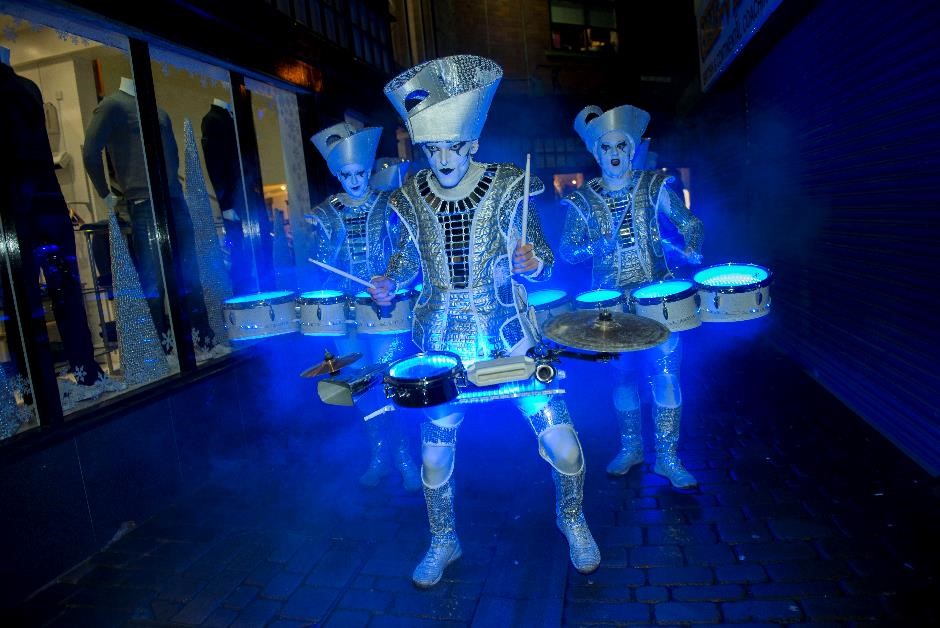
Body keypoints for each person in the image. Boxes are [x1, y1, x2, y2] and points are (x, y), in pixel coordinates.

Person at [370, 54, 600, 588]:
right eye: (432, 148)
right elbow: (403, 267)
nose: (443, 157)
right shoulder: (408, 198)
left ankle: (573, 519)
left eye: (453, 145)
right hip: (439, 347)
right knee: (432, 456)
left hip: (510, 341)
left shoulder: (505, 185)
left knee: (561, 441)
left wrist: (531, 262)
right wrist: (386, 284)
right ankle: (444, 540)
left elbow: (540, 256)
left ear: (472, 142)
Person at [559, 104, 704, 488]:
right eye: (606, 148)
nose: (614, 154)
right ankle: (631, 448)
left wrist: (691, 244)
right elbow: (567, 251)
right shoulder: (583, 200)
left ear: (632, 148)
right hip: (610, 305)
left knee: (667, 376)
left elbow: (690, 222)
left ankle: (669, 457)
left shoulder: (653, 186)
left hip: (657, 298)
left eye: (621, 145)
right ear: (596, 153)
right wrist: (597, 246)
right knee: (622, 378)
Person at [0, 46, 123, 404]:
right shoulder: (26, 90)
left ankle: (68, 377)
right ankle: (44, 386)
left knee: (51, 293)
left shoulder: (29, 89)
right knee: (30, 299)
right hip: (25, 208)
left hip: (35, 205)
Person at [307, 120, 420, 491]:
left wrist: (392, 280)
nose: (354, 181)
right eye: (345, 174)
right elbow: (319, 269)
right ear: (336, 174)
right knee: (360, 386)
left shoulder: (391, 205)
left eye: (360, 173)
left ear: (369, 171)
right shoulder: (324, 214)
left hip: (386, 309)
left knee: (390, 381)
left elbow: (407, 256)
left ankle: (404, 459)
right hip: (346, 314)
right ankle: (378, 456)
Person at [82, 77, 214, 352]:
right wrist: (106, 193)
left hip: (173, 199)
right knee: (154, 279)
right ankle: (161, 349)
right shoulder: (112, 106)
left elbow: (173, 155)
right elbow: (91, 150)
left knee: (189, 272)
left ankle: (200, 340)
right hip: (144, 202)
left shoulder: (158, 111)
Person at [200, 98, 252, 294]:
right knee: (238, 248)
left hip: (241, 197)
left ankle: (246, 287)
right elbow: (215, 165)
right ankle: (242, 291)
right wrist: (227, 204)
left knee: (244, 247)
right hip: (234, 199)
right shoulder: (213, 120)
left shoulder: (229, 118)